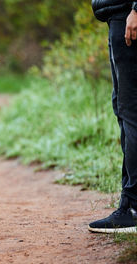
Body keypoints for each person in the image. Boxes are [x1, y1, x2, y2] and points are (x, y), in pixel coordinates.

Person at [88, 0, 137, 233]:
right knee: (123, 109)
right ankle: (129, 204)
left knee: (131, 114)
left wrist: (136, 10)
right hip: (118, 17)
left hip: (128, 15)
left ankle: (133, 207)